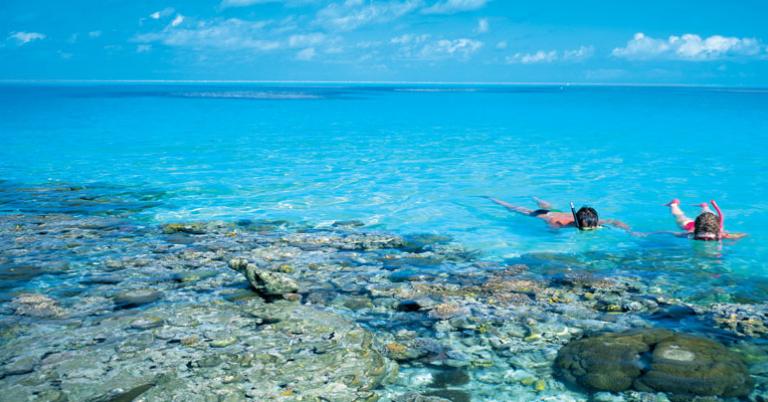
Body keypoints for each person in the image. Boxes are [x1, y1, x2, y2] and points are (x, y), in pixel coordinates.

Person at [485, 196, 630, 231]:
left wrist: (630, 231)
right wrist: (554, 232)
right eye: (586, 229)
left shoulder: (590, 221)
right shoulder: (561, 224)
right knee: (514, 208)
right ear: (577, 222)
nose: (590, 230)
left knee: (549, 206)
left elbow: (613, 221)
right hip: (544, 215)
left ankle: (534, 197)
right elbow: (552, 228)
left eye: (592, 228)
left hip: (557, 212)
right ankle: (493, 199)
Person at [664, 199, 746, 240]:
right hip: (689, 225)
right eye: (701, 239)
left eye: (710, 239)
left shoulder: (721, 235)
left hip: (709, 225)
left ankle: (705, 206)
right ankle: (674, 205)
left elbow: (743, 234)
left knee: (709, 216)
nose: (706, 240)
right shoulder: (690, 234)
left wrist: (733, 238)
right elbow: (670, 232)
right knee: (679, 217)